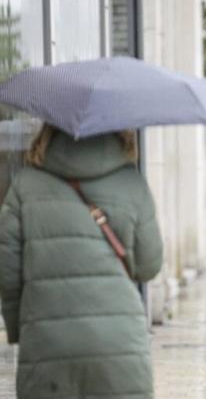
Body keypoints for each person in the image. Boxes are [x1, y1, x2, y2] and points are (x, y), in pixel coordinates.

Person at [0, 125, 163, 398]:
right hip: (118, 340)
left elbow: (7, 270)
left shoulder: (25, 185)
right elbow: (149, 266)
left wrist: (20, 330)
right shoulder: (131, 183)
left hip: (46, 340)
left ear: (49, 132)